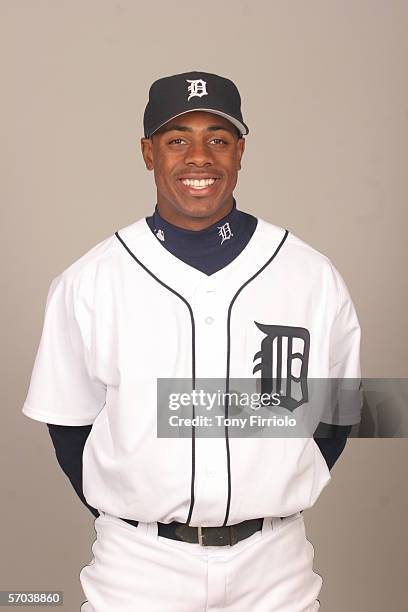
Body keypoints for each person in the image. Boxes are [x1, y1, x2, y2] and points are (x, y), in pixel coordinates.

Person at [22, 71, 361, 611]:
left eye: (218, 139)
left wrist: (288, 485)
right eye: (177, 139)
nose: (199, 156)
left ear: (240, 152)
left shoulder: (309, 275)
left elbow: (339, 410)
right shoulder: (90, 280)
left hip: (276, 567)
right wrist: (134, 513)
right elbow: (68, 425)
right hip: (138, 569)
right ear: (148, 153)